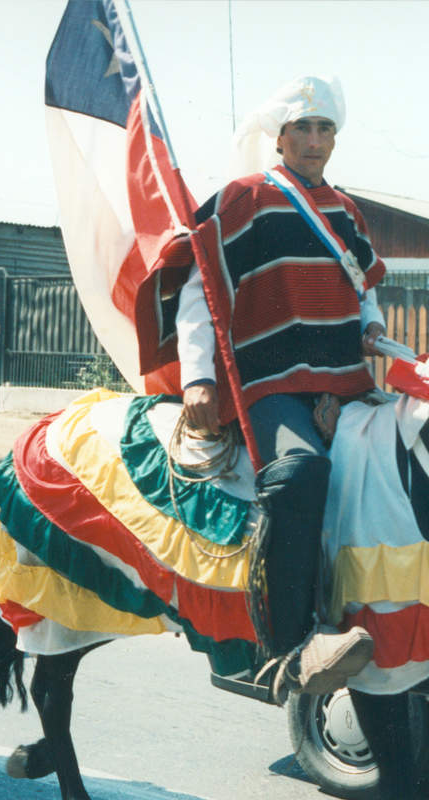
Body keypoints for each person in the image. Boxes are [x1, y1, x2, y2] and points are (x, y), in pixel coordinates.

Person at [176, 75, 385, 699]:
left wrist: (371, 328)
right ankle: (291, 649)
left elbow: (363, 289)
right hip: (272, 384)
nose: (315, 141)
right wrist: (198, 377)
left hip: (346, 383)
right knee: (299, 473)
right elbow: (200, 289)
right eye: (304, 128)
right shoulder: (245, 199)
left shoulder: (346, 210)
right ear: (280, 135)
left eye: (326, 129)